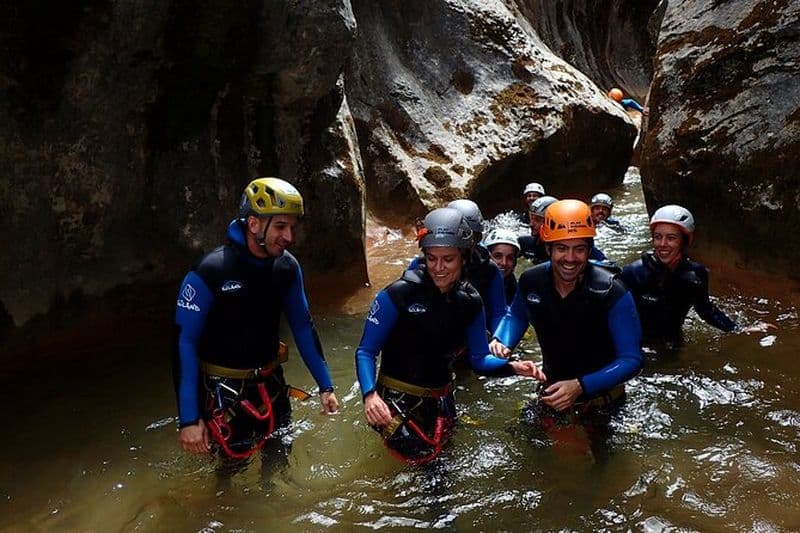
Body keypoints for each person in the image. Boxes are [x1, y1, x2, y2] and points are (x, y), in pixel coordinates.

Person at [357, 207, 545, 464]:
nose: (438, 268)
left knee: (445, 467)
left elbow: (479, 359)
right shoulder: (398, 295)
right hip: (395, 401)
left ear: (464, 258)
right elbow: (366, 351)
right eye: (431, 258)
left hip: (442, 401)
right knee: (431, 472)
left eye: (448, 259)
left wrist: (513, 367)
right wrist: (370, 396)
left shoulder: (470, 301)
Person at [173, 177, 339, 462]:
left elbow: (302, 326)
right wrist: (189, 419)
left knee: (279, 464)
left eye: (292, 227)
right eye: (280, 226)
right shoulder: (210, 271)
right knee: (230, 471)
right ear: (253, 224)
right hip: (225, 395)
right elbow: (184, 342)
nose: (289, 237)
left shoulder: (287, 268)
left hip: (272, 386)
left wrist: (326, 387)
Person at [489, 199, 642, 418]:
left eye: (579, 249)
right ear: (548, 248)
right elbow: (517, 315)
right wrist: (502, 341)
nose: (570, 259)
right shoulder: (532, 281)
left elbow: (631, 360)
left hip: (602, 402)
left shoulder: (611, 291)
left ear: (589, 250)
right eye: (562, 248)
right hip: (552, 393)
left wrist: (580, 385)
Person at [619, 205, 772, 343]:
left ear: (685, 241)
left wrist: (739, 330)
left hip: (673, 341)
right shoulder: (633, 272)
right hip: (635, 344)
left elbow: (706, 310)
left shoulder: (696, 274)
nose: (663, 244)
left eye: (671, 238)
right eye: (658, 237)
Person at [409, 199, 506, 332]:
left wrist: (498, 338)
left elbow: (499, 312)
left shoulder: (489, 269)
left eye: (472, 238)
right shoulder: (420, 266)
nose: (468, 244)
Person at [483, 227, 521, 305]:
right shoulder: (474, 284)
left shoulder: (516, 291)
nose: (504, 263)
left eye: (510, 258)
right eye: (498, 256)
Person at [519, 195, 558, 264]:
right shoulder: (524, 243)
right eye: (531, 218)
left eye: (537, 220)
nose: (531, 224)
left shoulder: (560, 253)